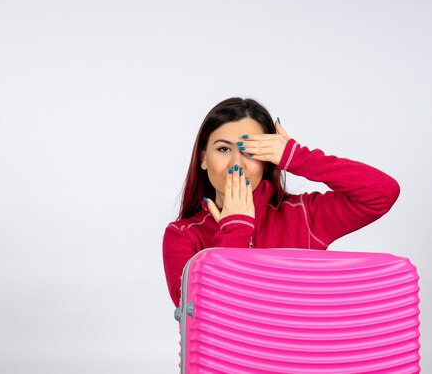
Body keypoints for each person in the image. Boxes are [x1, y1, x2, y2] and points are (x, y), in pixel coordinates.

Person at [162, 97, 400, 307]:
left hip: (297, 356)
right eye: (223, 149)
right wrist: (236, 228)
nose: (237, 164)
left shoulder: (302, 216)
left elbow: (382, 193)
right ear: (204, 158)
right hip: (222, 358)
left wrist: (298, 158)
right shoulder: (182, 235)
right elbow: (197, 310)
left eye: (249, 150)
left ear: (267, 160)